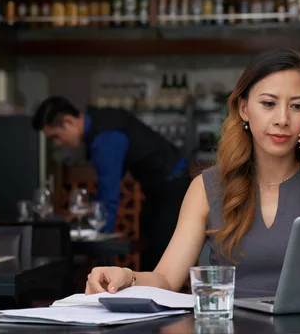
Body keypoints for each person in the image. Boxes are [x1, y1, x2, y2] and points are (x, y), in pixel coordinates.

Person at [85, 49, 300, 297]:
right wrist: (127, 277)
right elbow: (167, 278)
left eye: (297, 106)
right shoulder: (207, 187)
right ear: (243, 109)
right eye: (268, 103)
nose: (282, 119)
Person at [31, 97, 191, 271]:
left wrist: (101, 242)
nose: (57, 143)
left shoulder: (105, 139)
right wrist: (89, 210)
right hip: (159, 189)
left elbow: (109, 198)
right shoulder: (100, 121)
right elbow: (106, 190)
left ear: (68, 121)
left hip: (172, 190)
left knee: (159, 260)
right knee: (150, 255)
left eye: (56, 136)